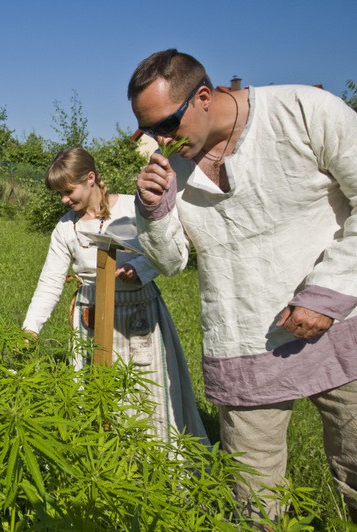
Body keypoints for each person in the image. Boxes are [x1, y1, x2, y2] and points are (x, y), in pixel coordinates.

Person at [128, 48, 357, 522]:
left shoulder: (303, 112)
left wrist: (327, 293)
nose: (158, 140)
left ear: (205, 96)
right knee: (255, 503)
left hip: (340, 325)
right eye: (149, 130)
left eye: (167, 124)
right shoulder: (171, 166)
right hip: (243, 342)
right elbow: (170, 263)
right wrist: (152, 210)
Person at [22, 147, 208, 445]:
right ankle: (106, 462)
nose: (64, 200)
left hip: (139, 316)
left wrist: (140, 269)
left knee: (148, 392)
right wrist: (30, 329)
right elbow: (50, 281)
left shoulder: (133, 208)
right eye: (60, 194)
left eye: (68, 192)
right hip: (92, 320)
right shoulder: (65, 228)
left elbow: (166, 249)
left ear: (91, 178)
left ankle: (159, 464)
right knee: (97, 393)